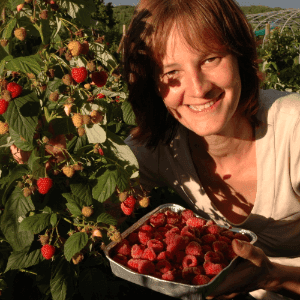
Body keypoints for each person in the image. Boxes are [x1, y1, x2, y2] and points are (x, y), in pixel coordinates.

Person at [123, 0, 300, 299]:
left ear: (239, 56)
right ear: (153, 84)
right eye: (171, 71)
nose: (198, 88)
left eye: (210, 59)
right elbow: (93, 204)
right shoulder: (161, 147)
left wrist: (273, 277)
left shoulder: (293, 130)